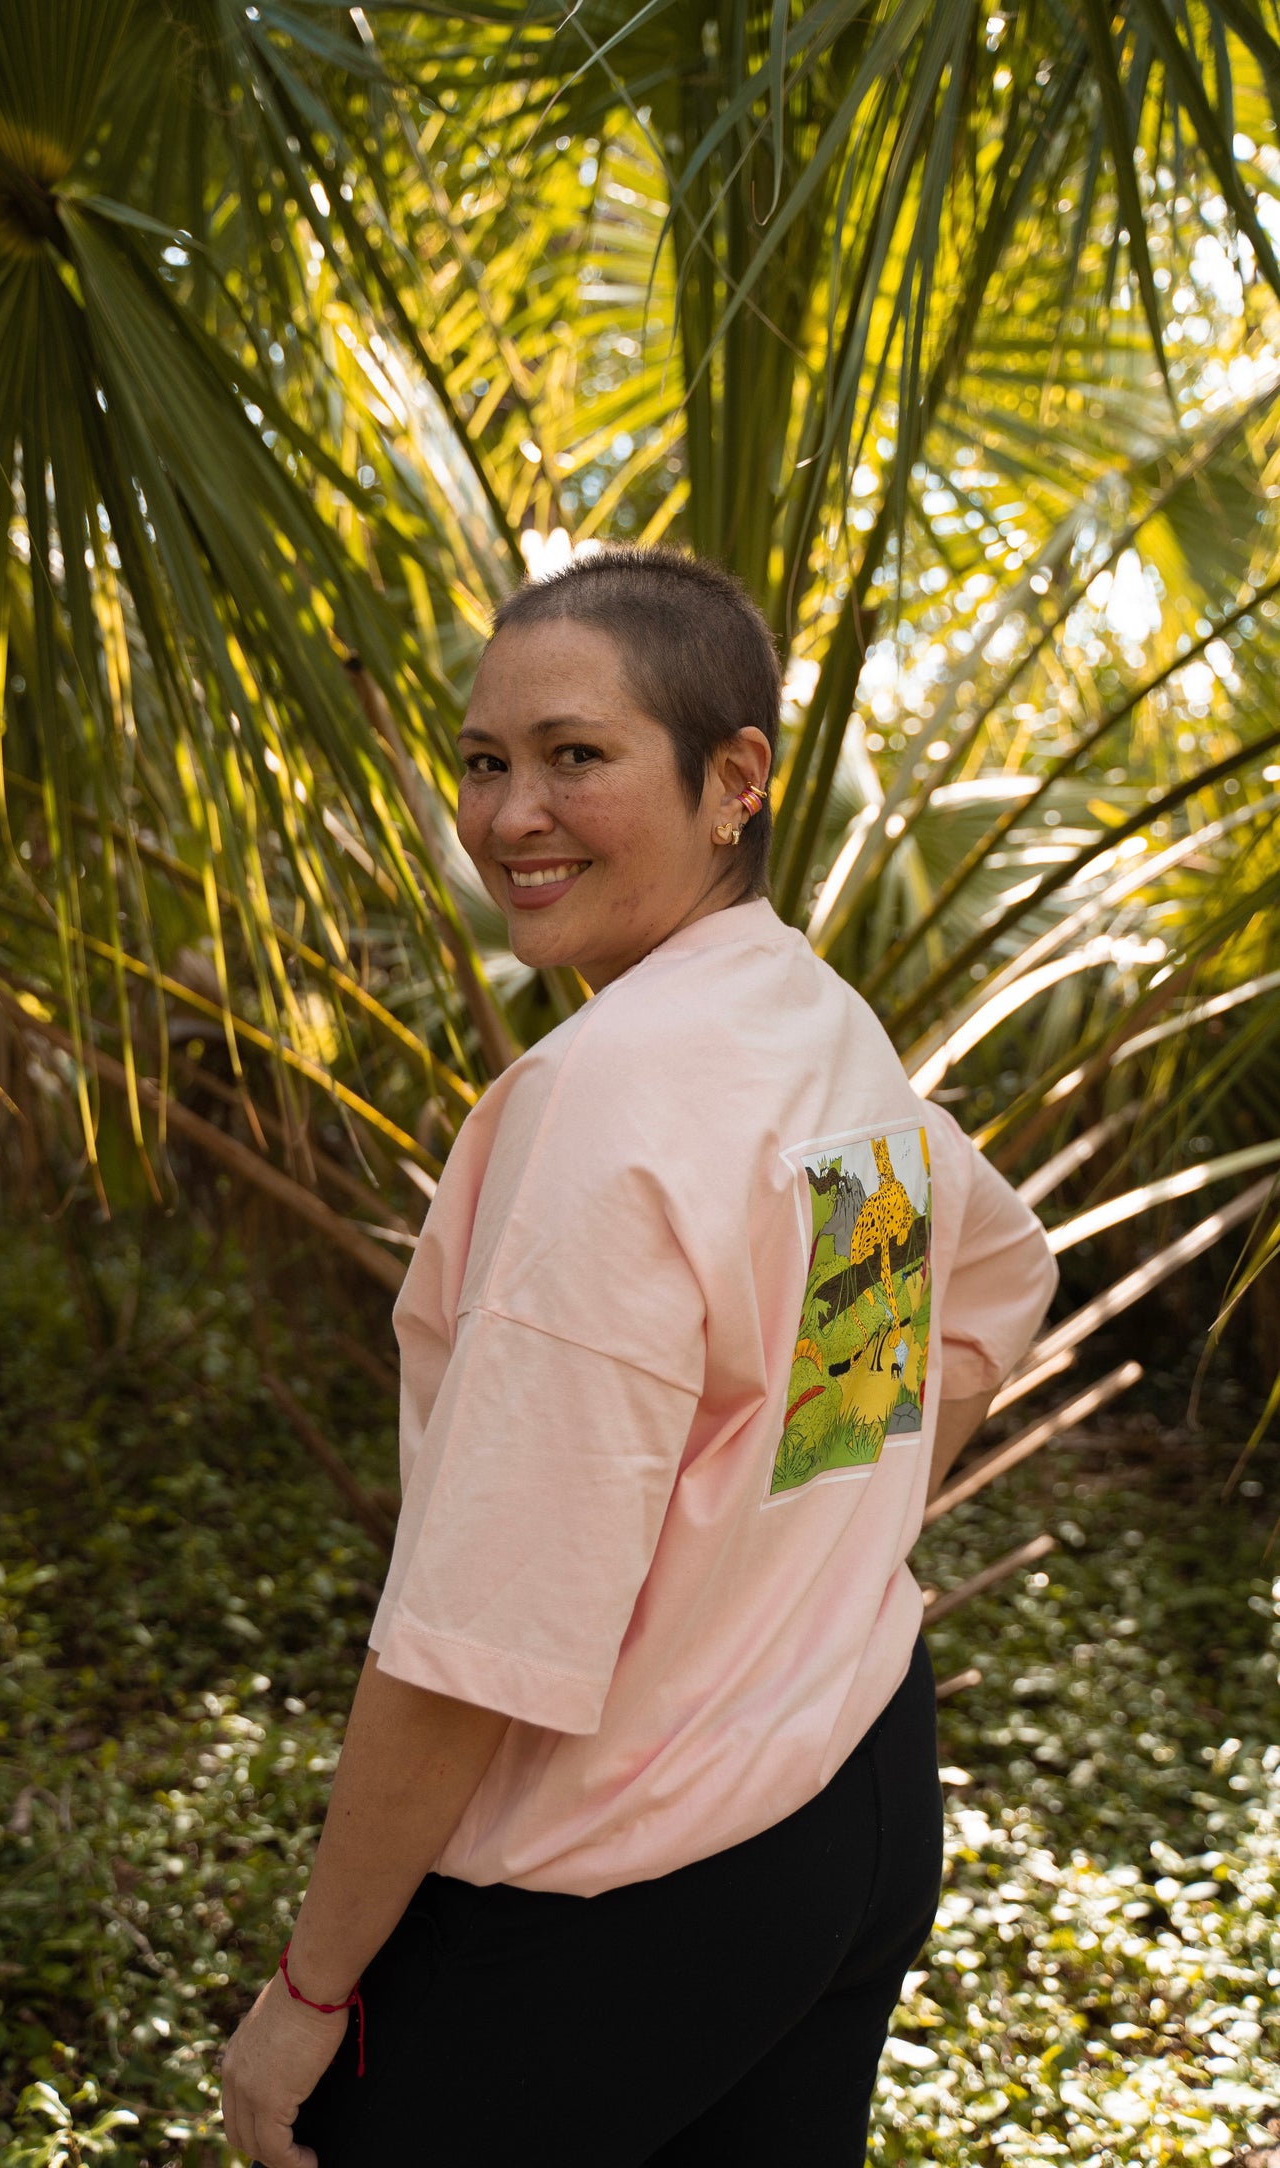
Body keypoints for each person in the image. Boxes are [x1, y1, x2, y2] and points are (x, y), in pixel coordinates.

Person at [220, 547, 1059, 2167]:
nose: (509, 812)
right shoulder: (819, 1029)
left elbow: (477, 1638)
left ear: (731, 777)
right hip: (856, 1788)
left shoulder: (603, 1106)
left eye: (574, 756)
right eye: (484, 761)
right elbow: (976, 1308)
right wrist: (801, 1565)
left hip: (629, 1886)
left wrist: (307, 1997)